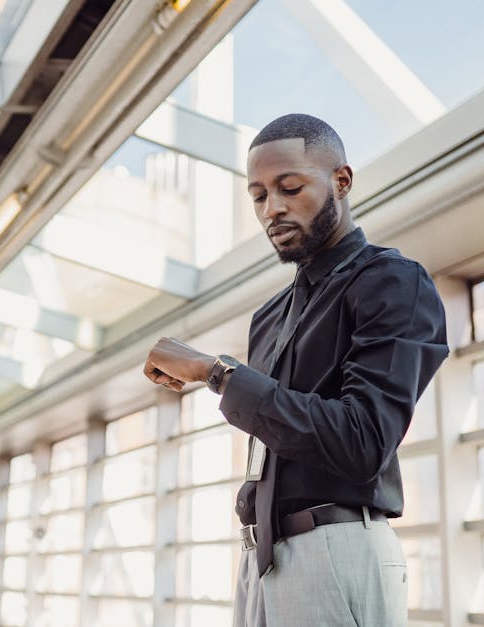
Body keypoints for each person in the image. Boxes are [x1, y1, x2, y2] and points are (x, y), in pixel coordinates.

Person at [142, 114, 448, 626]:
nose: (272, 209)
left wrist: (218, 374)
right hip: (261, 557)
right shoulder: (269, 317)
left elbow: (363, 442)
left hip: (336, 548)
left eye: (290, 187)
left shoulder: (392, 282)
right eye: (259, 196)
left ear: (342, 182)